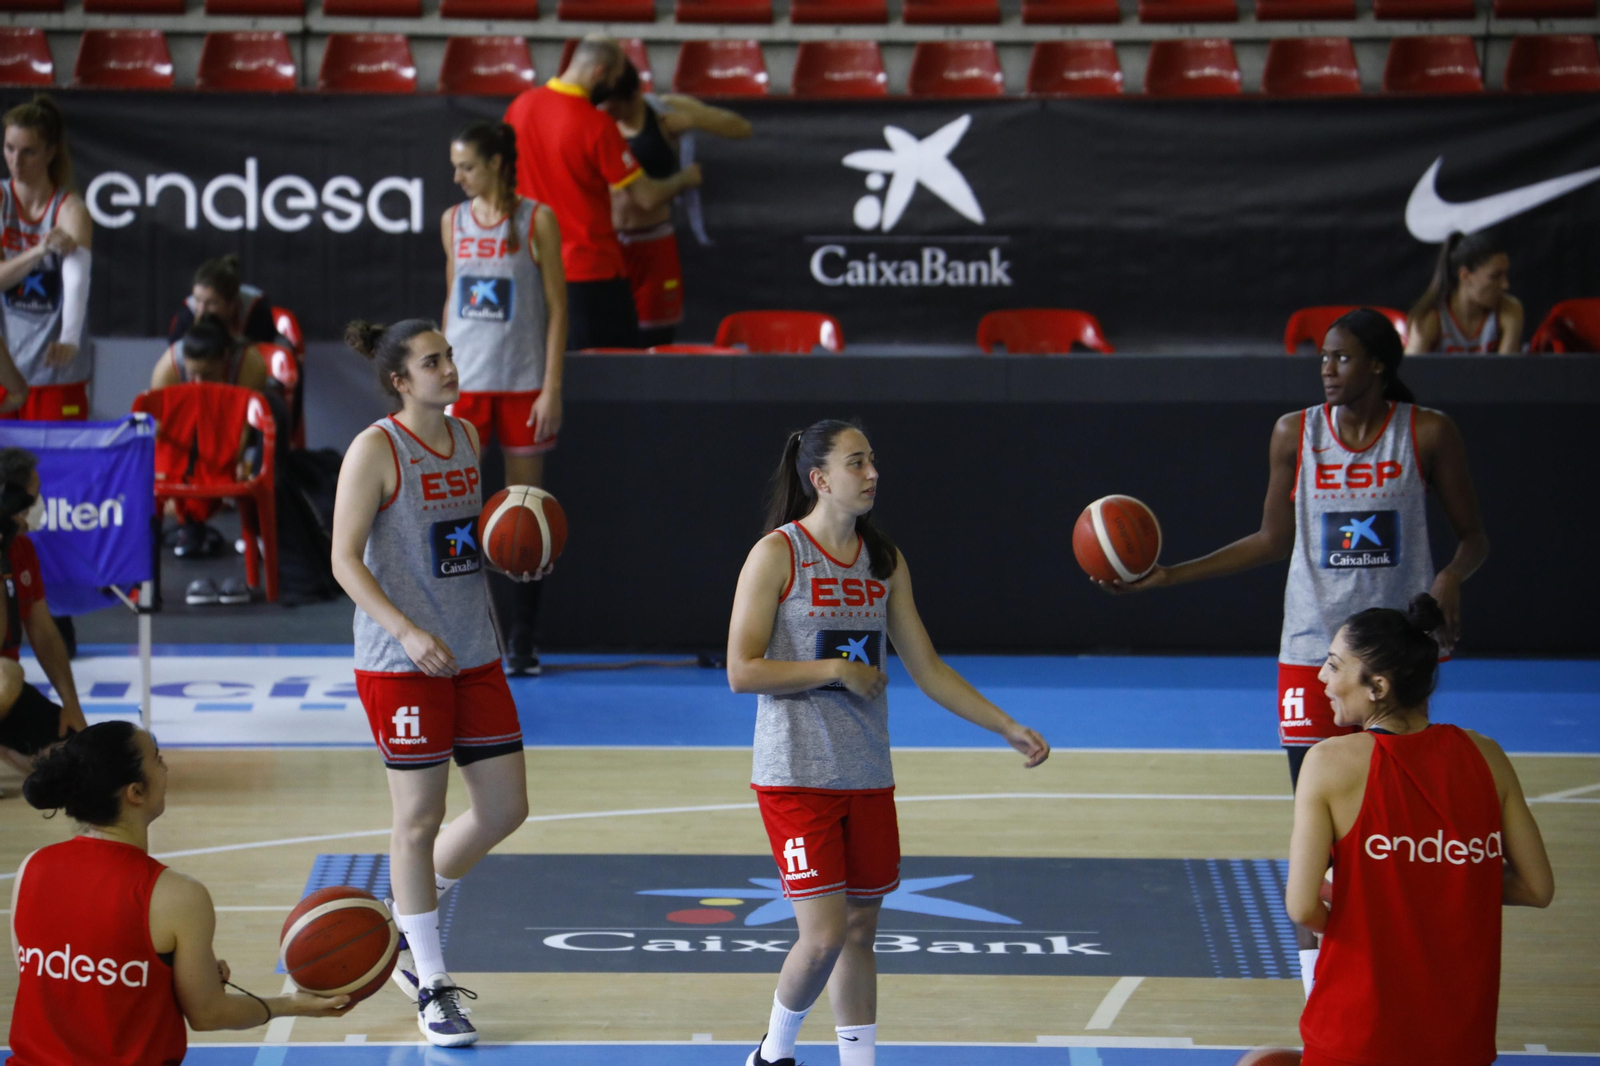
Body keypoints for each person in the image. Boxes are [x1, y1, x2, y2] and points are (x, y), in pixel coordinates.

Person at [1097, 309, 1489, 992]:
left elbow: (1475, 538)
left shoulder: (1427, 433)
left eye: (1341, 358)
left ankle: (1400, 958)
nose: (1327, 369)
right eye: (1323, 358)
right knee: (1318, 821)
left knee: (1389, 819)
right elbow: (1270, 539)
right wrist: (1171, 575)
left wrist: (1451, 575)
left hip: (1395, 651)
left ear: (1377, 365)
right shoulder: (1295, 434)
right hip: (1311, 650)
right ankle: (1319, 989)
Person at [727, 419, 1051, 1066]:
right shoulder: (778, 554)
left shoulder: (885, 560)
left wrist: (1005, 724)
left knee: (859, 934)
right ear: (819, 479)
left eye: (872, 460)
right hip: (796, 775)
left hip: (867, 773)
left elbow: (927, 667)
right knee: (820, 937)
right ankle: (773, 1053)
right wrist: (834, 668)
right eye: (856, 463)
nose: (872, 473)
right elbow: (742, 670)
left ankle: (860, 1061)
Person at [331, 319, 545, 1047]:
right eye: (433, 361)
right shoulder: (375, 449)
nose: (449, 368)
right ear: (400, 380)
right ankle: (430, 980)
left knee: (505, 807)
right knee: (418, 821)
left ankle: (407, 915)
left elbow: (459, 546)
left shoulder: (466, 438)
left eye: (449, 356)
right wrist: (406, 630)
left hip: (472, 649)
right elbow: (344, 560)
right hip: (402, 662)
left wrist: (510, 557)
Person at [1287, 595, 1553, 1066]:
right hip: (1458, 1037)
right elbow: (1537, 888)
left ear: (1378, 687)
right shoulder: (1487, 756)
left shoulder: (1327, 763)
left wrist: (1370, 918)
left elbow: (1303, 905)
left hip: (1357, 1032)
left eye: (1333, 665)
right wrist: (1437, 881)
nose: (1322, 678)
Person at [8, 721, 350, 1065]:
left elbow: (60, 988)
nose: (166, 766)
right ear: (135, 792)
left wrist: (171, 974)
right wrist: (292, 1005)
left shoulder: (31, 868)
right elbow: (209, 1014)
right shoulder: (177, 895)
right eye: (156, 758)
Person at [442, 120, 567, 676]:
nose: (457, 176)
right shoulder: (453, 221)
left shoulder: (536, 219)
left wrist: (552, 386)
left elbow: (559, 307)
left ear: (495, 163)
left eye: (466, 165)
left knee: (525, 513)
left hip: (523, 384)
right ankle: (463, 629)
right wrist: (437, 380)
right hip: (464, 384)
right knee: (453, 510)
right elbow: (451, 299)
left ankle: (523, 637)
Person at [503, 34, 703, 351]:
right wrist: (685, 179)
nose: (613, 85)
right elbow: (647, 196)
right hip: (590, 270)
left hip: (534, 265)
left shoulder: (519, 107)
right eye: (613, 78)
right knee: (611, 372)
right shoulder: (596, 124)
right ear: (599, 72)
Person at [601, 60, 751, 348]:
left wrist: (696, 119)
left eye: (615, 107)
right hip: (608, 246)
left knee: (655, 339)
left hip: (653, 243)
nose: (609, 113)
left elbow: (741, 128)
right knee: (607, 340)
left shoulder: (662, 109)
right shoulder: (594, 115)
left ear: (634, 94)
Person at [0, 95, 93, 422]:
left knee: (54, 469)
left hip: (55, 374)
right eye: (9, 148)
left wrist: (69, 337)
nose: (15, 161)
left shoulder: (71, 210)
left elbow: (76, 281)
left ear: (51, 153)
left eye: (28, 151)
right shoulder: (1, 199)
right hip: (5, 370)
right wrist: (40, 250)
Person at [0, 447, 84, 767]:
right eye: (33, 497)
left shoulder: (22, 550)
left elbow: (44, 632)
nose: (39, 506)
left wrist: (71, 705)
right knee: (7, 675)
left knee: (69, 758)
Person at [1405, 231, 1524, 355]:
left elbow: (1508, 372)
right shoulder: (1430, 317)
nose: (1506, 285)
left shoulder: (1509, 310)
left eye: (1505, 274)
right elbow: (1410, 372)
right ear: (1465, 275)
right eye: (1495, 276)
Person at [165, 253, 281, 347]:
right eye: (198, 300)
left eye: (211, 303)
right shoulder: (187, 316)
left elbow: (270, 356)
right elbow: (175, 361)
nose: (201, 309)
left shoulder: (257, 312)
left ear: (232, 304)